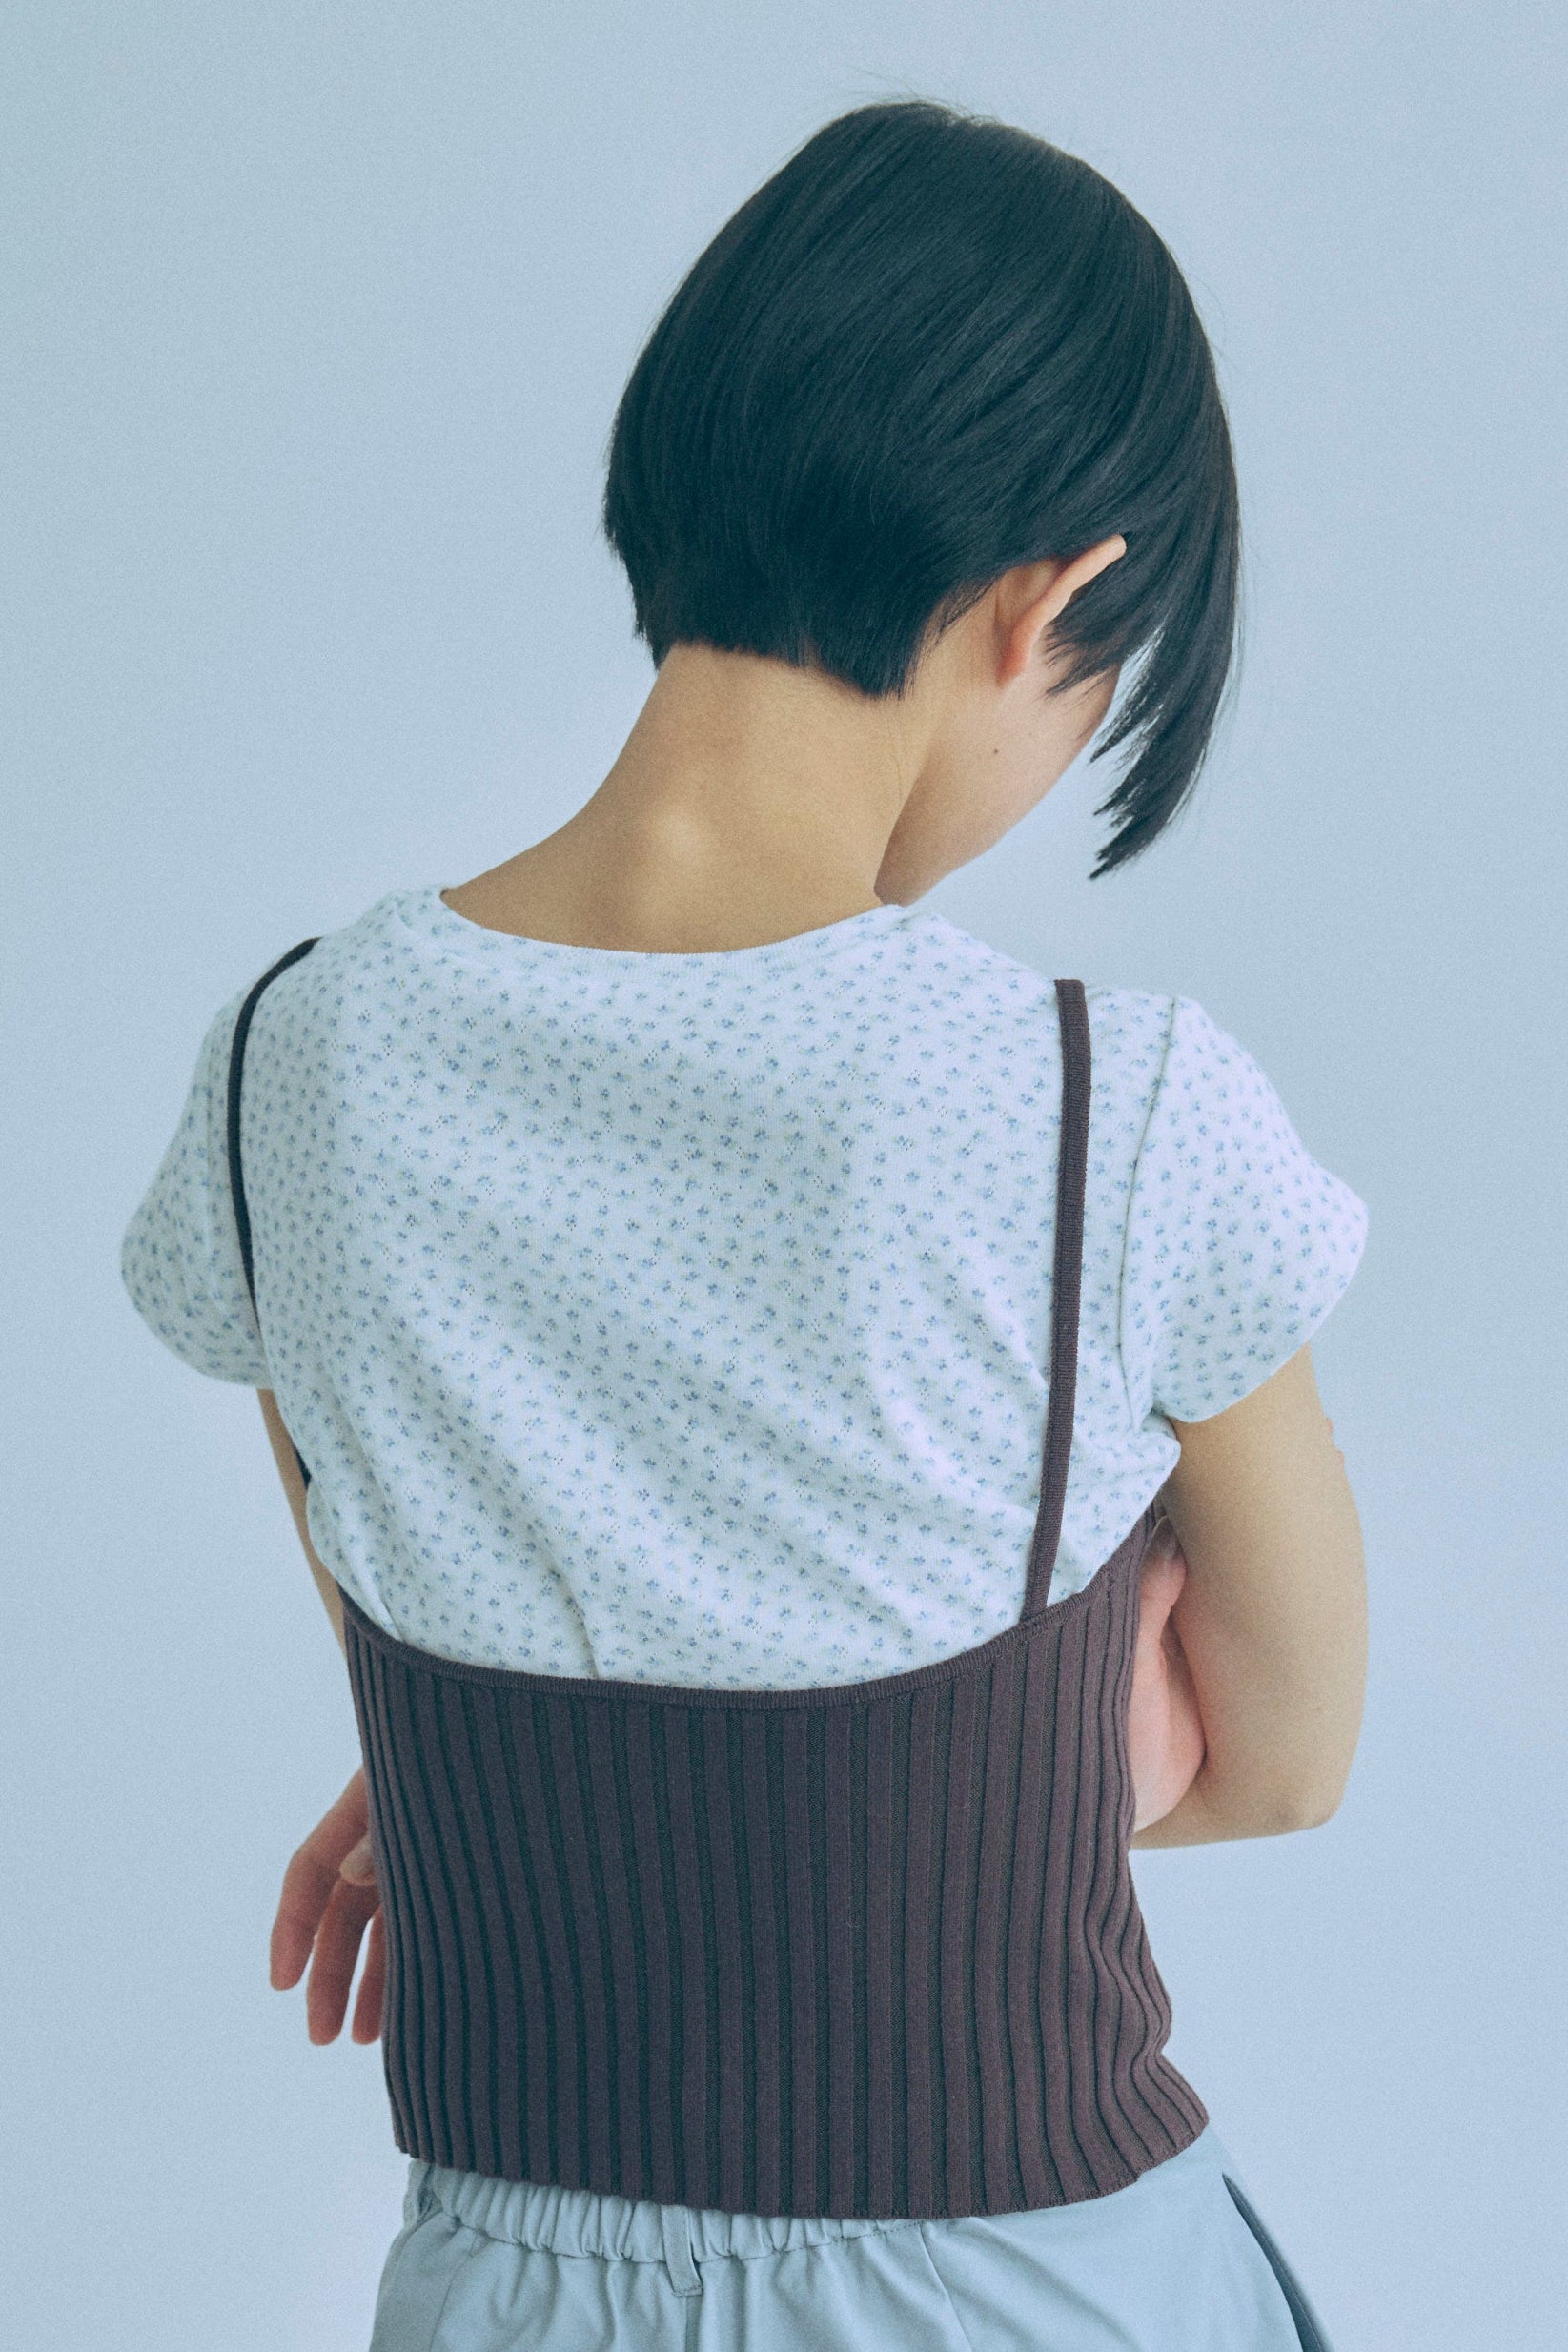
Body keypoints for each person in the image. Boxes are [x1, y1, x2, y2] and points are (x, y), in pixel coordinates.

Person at [121, 95, 1368, 2351]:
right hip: (1027, 2287)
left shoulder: (290, 1063)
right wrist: (976, 1792)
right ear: (1050, 605)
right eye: (1096, 707)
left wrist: (576, 1836)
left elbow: (431, 1609)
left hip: (499, 2286)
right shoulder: (1114, 1110)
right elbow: (1280, 1755)